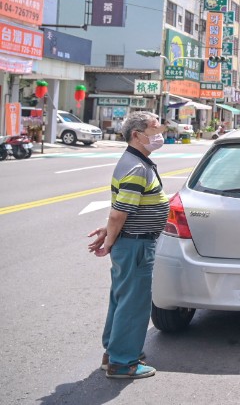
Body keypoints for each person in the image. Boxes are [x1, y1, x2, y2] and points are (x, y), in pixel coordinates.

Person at [86, 111, 168, 379]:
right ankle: (123, 363)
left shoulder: (137, 162)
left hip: (132, 241)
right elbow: (118, 213)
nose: (160, 135)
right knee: (134, 304)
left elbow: (123, 209)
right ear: (137, 135)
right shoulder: (136, 167)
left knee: (122, 299)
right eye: (155, 130)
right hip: (135, 244)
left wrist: (110, 233)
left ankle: (113, 352)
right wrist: (109, 239)